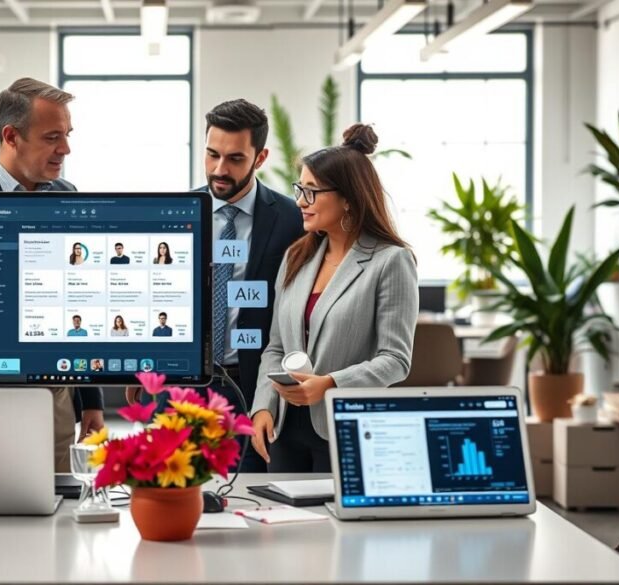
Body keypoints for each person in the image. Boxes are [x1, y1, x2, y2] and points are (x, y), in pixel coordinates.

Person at [126, 99, 302, 473]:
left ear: (261, 156)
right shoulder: (174, 212)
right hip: (177, 385)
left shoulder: (290, 219)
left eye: (235, 158)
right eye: (212, 155)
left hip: (249, 389)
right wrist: (137, 365)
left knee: (246, 498)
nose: (220, 169)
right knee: (171, 487)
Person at [0, 77, 103, 471]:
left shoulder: (68, 196)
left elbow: (80, 301)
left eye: (67, 135)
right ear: (11, 136)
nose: (65, 148)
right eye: (52, 137)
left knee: (59, 507)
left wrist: (92, 400)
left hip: (56, 396)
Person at [250, 124, 418, 473]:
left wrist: (330, 384)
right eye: (300, 189)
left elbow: (395, 360)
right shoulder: (296, 256)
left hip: (347, 429)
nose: (300, 201)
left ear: (347, 198)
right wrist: (263, 406)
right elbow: (276, 348)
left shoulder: (391, 261)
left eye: (311, 191)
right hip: (284, 431)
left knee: (341, 528)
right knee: (284, 526)